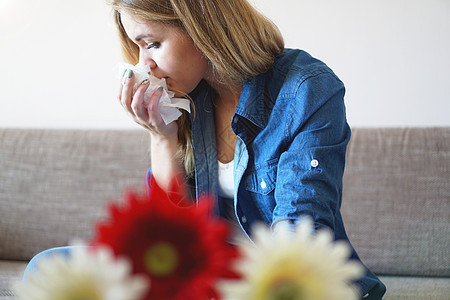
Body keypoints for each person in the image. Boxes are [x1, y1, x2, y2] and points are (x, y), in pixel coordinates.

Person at [25, 0, 386, 298]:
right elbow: (168, 240)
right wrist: (161, 136)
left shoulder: (306, 88)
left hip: (282, 281)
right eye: (138, 48)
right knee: (48, 267)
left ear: (201, 25)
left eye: (151, 44)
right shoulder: (188, 97)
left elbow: (299, 237)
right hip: (209, 276)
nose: (143, 65)